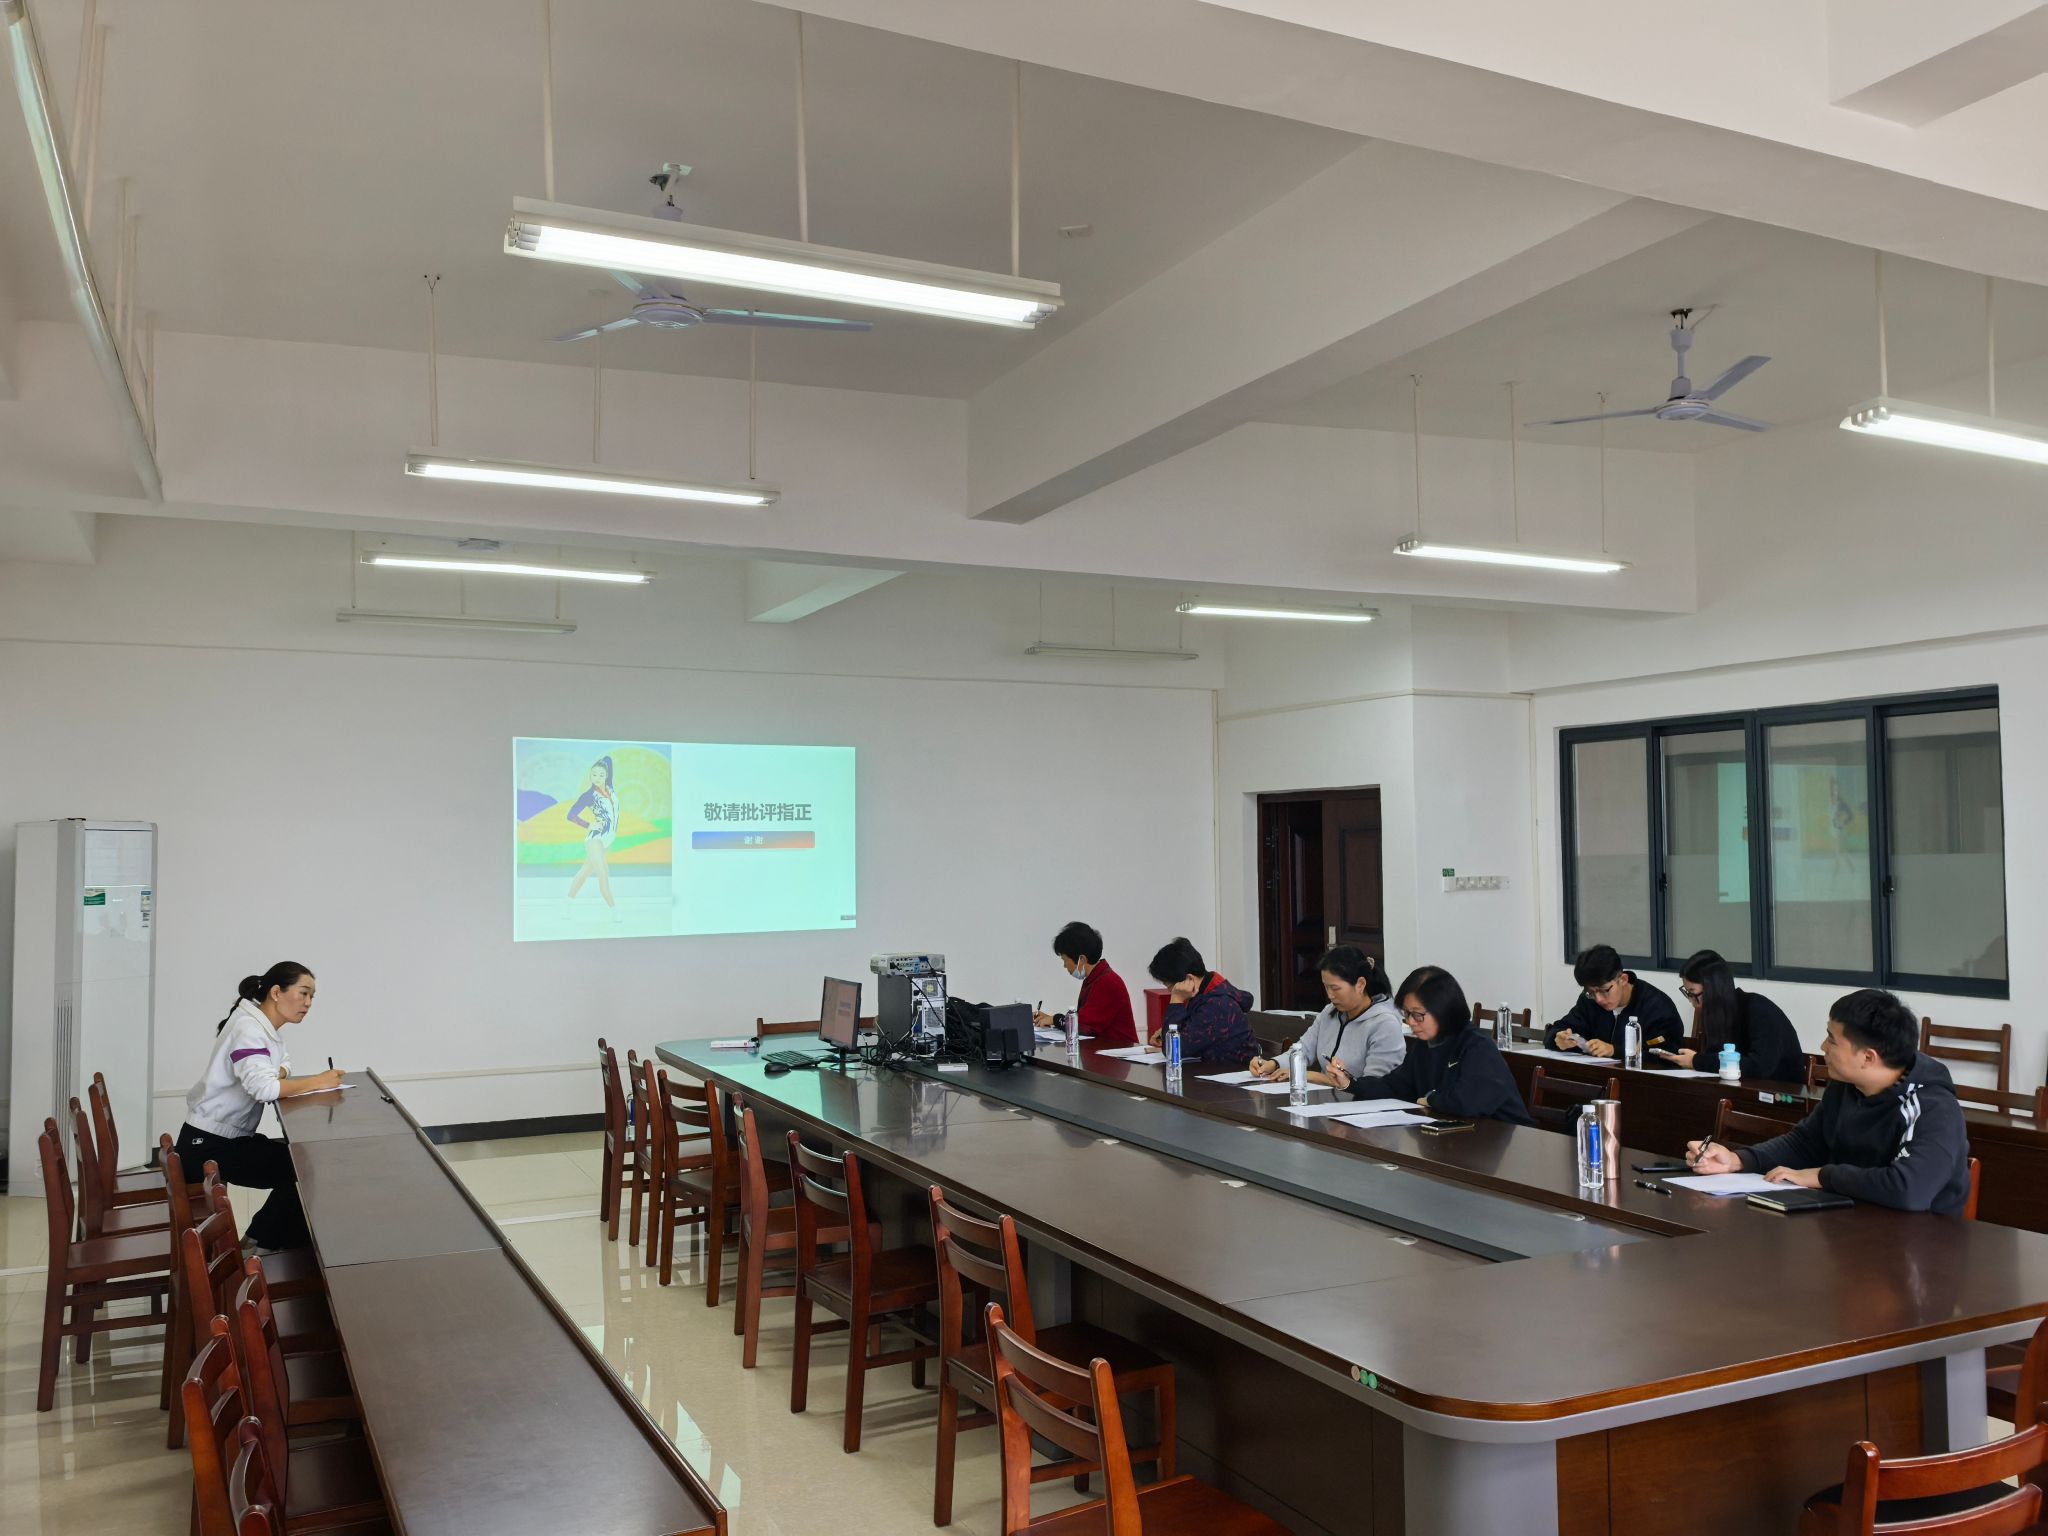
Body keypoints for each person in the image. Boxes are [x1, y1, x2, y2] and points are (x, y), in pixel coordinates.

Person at [1686, 988, 1971, 1214]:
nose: (1823, 1047)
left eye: (1832, 1040)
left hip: (1921, 1245)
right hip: (1852, 1228)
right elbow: (1805, 1143)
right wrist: (1738, 1160)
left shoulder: (1933, 1107)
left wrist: (1824, 1176)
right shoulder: (1846, 1086)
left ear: (1868, 1057)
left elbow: (1909, 1190)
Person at [175, 962, 345, 1252]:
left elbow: (284, 1064)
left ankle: (260, 1240)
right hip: (208, 1147)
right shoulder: (249, 1029)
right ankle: (264, 1248)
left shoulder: (262, 1025)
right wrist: (318, 1081)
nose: (308, 1003)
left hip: (221, 1139)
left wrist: (275, 1075)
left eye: (312, 996)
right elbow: (264, 1089)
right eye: (303, 993)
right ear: (276, 992)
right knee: (303, 1168)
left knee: (302, 1163)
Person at [1330, 965, 1533, 1125]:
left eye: (1417, 1015)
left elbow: (1466, 1102)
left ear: (1443, 1010)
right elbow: (1394, 1086)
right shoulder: (1424, 1046)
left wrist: (1429, 1099)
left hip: (1504, 1141)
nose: (1410, 1022)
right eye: (1406, 1014)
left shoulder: (1477, 1046)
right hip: (1455, 1139)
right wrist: (1350, 1083)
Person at [1248, 945, 1405, 1087]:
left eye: (1335, 988)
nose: (1330, 995)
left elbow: (1374, 1085)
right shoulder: (1330, 1012)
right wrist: (1273, 1064)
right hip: (1329, 1100)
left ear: (1360, 984)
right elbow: (1304, 1049)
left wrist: (1311, 1076)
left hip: (1362, 1106)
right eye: (1326, 987)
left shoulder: (1384, 1024)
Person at [1652, 949, 1804, 1081]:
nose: (1692, 1001)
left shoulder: (1759, 1010)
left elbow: (1758, 1066)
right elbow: (1716, 1057)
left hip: (1780, 1094)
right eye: (1687, 993)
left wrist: (1696, 1061)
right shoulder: (1716, 1016)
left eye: (1693, 993)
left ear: (1713, 990)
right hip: (1739, 1089)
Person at [1546, 944, 1683, 1059]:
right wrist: (1558, 1039)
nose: (1598, 999)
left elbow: (1667, 1055)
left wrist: (1615, 1051)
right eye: (1591, 992)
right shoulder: (1588, 1000)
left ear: (1623, 979)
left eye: (1604, 990)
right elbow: (1558, 1029)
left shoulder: (1657, 1006)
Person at [1146, 937, 1257, 1065]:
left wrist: (1176, 1000)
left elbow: (1173, 1051)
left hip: (1234, 1074)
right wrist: (1167, 1032)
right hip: (1212, 1072)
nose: (1170, 991)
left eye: (1169, 985)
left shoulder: (1216, 1004)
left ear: (1189, 979)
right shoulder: (1207, 994)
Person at [1033, 921, 1138, 1049]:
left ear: (1081, 959)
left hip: (1118, 1054)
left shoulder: (1108, 982)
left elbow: (1084, 1026)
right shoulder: (1095, 978)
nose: (1064, 965)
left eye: (1065, 960)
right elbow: (1084, 1019)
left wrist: (1055, 1019)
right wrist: (1050, 1018)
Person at [566, 754, 621, 920]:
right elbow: (570, 815)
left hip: (609, 838)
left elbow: (609, 759)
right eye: (594, 774)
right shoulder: (589, 795)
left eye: (601, 775)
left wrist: (602, 763)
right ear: (590, 776)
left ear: (607, 776)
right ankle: (614, 910)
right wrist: (588, 825)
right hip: (596, 838)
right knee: (603, 873)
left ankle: (566, 905)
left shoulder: (610, 787)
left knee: (584, 872)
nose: (597, 778)